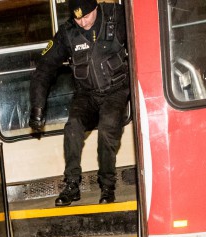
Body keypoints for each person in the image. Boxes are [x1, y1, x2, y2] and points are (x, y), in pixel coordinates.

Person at [28, 0, 130, 206]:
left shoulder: (117, 16)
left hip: (116, 91)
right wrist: (37, 108)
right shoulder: (67, 33)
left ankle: (107, 186)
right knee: (72, 127)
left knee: (107, 128)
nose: (82, 22)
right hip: (87, 95)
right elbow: (44, 69)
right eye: (77, 17)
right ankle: (72, 185)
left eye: (86, 16)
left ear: (95, 7)